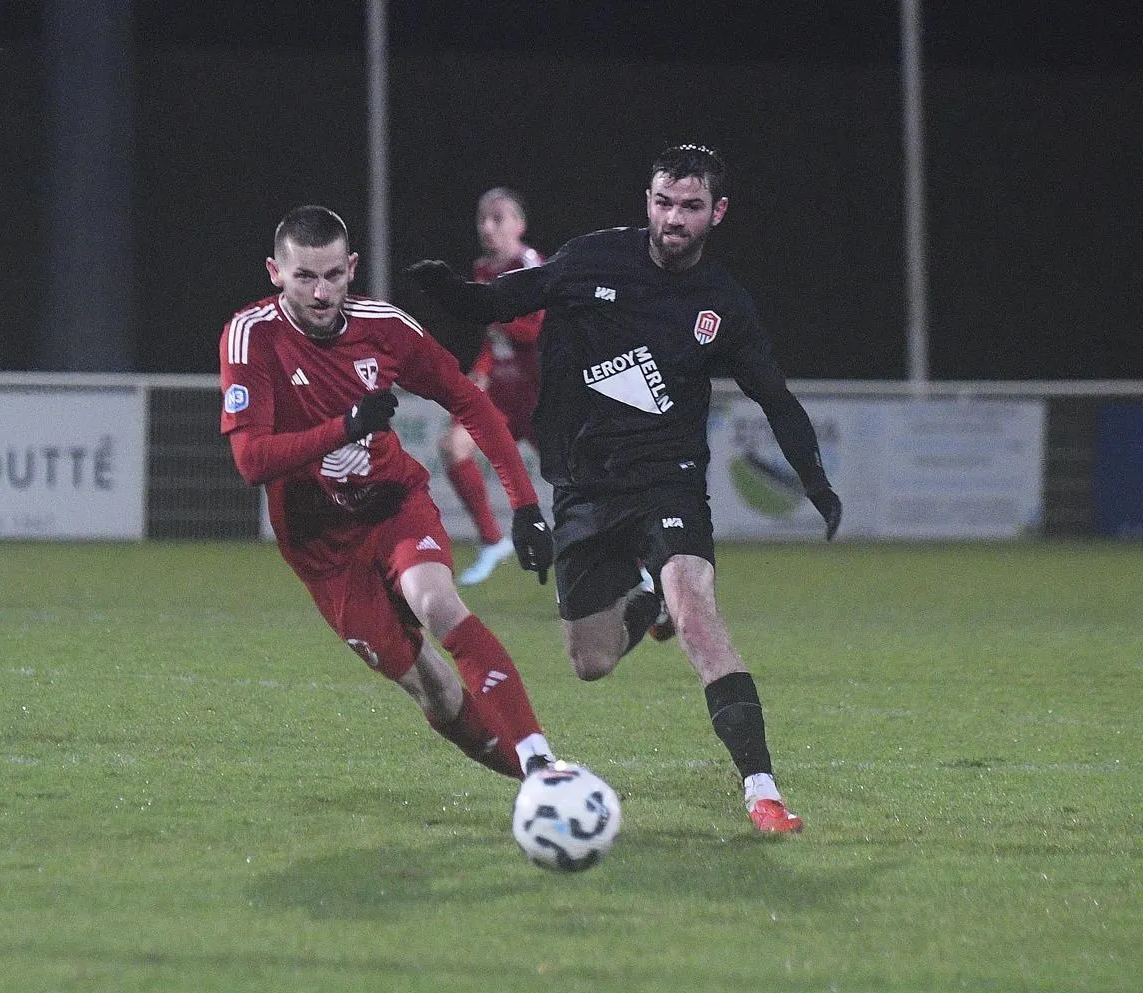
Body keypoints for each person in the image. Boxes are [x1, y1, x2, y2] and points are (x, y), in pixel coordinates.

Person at [406, 144, 843, 834]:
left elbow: (775, 396)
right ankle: (647, 604)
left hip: (669, 480)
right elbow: (500, 300)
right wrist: (446, 290)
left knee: (697, 614)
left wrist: (814, 480)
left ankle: (762, 792)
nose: (674, 218)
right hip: (584, 486)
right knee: (591, 661)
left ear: (717, 213)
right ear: (648, 201)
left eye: (691, 206)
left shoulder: (723, 303)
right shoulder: (594, 259)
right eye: (664, 202)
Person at [220, 205, 559, 782]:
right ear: (276, 273)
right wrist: (346, 426)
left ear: (352, 268)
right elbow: (251, 461)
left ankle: (543, 766)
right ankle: (532, 780)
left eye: (333, 275)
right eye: (305, 277)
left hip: (392, 506)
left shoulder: (384, 326)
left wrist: (525, 506)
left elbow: (471, 402)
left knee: (437, 603)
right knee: (437, 692)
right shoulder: (252, 336)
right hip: (321, 548)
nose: (321, 292)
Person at [439, 188, 546, 586]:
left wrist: (491, 311)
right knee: (453, 447)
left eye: (498, 218)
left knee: (578, 480)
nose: (487, 226)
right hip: (501, 393)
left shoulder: (529, 265)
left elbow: (535, 329)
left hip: (538, 395)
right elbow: (492, 336)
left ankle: (638, 566)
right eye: (482, 219)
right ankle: (492, 541)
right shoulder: (483, 269)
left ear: (519, 225)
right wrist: (481, 369)